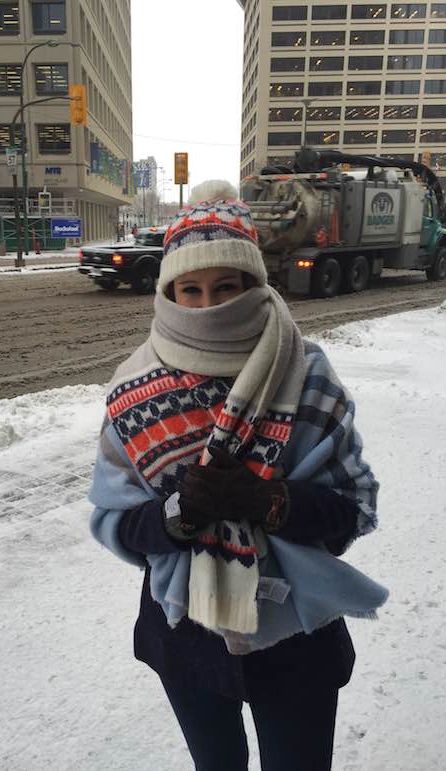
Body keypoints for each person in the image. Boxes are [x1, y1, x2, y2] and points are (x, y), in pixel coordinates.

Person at [90, 181, 387, 771]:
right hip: (187, 636)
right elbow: (116, 524)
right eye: (190, 290)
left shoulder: (308, 377)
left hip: (294, 637)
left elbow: (353, 507)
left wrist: (269, 500)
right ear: (168, 293)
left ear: (255, 287)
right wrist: (176, 518)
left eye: (226, 287)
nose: (208, 305)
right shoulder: (132, 388)